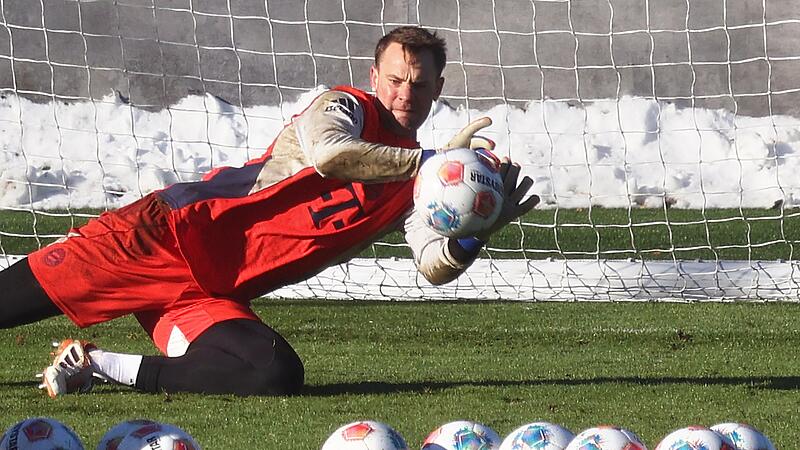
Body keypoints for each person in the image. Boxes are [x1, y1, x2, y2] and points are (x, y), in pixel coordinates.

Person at [0, 26, 538, 397]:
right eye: (395, 80)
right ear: (374, 77)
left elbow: (432, 263)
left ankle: (95, 365)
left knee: (272, 373)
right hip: (161, 238)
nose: (405, 94)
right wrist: (430, 159)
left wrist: (475, 229)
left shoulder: (419, 185)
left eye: (419, 84)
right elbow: (330, 155)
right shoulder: (345, 106)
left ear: (437, 88)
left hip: (207, 296)